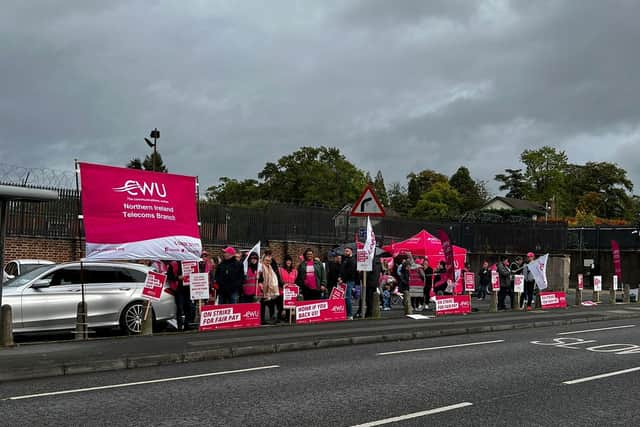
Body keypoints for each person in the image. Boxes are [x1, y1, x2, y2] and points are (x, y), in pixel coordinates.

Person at [166, 260, 194, 331]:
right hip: (178, 290)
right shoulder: (173, 264)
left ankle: (187, 325)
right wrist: (178, 278)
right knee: (180, 308)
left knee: (189, 308)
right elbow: (169, 277)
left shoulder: (189, 262)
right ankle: (180, 327)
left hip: (188, 289)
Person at [260, 252, 280, 324]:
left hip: (269, 290)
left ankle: (272, 317)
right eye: (266, 260)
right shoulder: (261, 266)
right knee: (262, 304)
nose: (268, 262)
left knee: (271, 303)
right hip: (262, 288)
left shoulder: (270, 267)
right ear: (263, 260)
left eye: (269, 261)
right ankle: (262, 319)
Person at [338, 247, 358, 319]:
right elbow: (343, 270)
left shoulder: (352, 260)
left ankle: (349, 314)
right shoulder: (346, 259)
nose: (345, 252)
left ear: (351, 252)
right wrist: (340, 277)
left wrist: (342, 279)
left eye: (347, 251)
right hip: (345, 280)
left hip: (349, 281)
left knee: (347, 298)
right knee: (344, 297)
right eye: (345, 251)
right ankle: (346, 313)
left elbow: (350, 272)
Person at [279, 255, 298, 319]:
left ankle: (288, 317)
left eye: (289, 261)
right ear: (285, 262)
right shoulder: (280, 270)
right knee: (281, 306)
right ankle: (280, 317)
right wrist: (283, 284)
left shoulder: (295, 271)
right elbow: (278, 279)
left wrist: (295, 285)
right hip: (282, 291)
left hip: (291, 292)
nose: (288, 262)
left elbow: (296, 280)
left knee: (290, 305)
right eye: (287, 261)